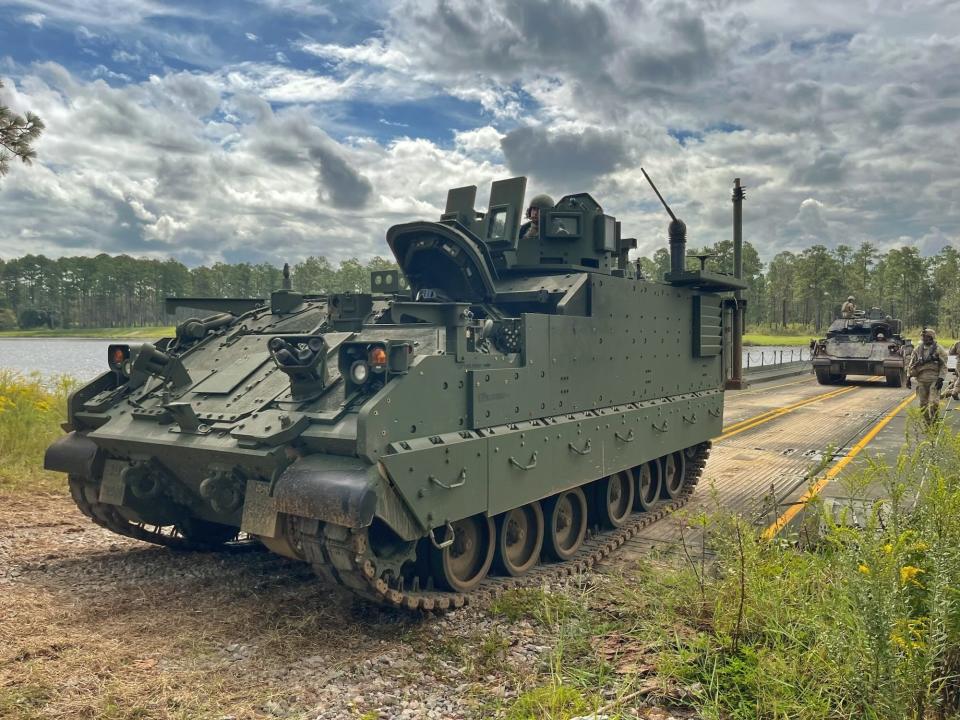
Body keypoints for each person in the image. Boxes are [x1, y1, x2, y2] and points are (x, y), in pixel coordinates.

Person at [907, 328, 948, 423]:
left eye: (926, 337)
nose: (924, 339)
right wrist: (908, 377)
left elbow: (943, 365)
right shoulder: (918, 349)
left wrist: (941, 378)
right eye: (923, 337)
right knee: (922, 404)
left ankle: (935, 421)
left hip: (934, 378)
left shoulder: (939, 349)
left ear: (931, 338)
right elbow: (912, 364)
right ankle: (927, 422)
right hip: (921, 379)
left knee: (934, 403)